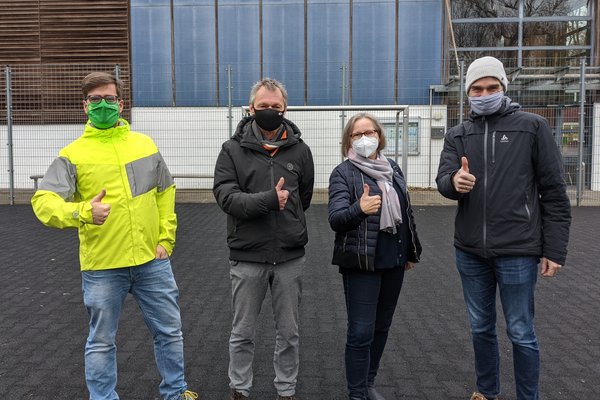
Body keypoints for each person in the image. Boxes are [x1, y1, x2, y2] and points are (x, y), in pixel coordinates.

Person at [31, 72, 198, 400]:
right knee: (102, 341)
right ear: (85, 106)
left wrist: (167, 239)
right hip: (103, 266)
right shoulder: (72, 155)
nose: (103, 104)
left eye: (109, 98)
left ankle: (176, 393)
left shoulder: (144, 145)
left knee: (170, 333)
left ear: (121, 104)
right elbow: (43, 201)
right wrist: (81, 212)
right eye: (96, 99)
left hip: (152, 260)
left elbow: (165, 191)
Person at [436, 56, 571, 400]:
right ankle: (486, 391)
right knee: (480, 328)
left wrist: (554, 249)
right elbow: (442, 181)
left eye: (491, 87)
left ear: (503, 88)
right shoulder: (458, 133)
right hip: (469, 250)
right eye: (477, 89)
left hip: (518, 250)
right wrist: (455, 180)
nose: (484, 94)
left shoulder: (532, 126)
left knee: (521, 330)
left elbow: (553, 191)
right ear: (468, 93)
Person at [213, 78, 314, 400]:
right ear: (250, 108)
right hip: (247, 257)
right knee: (242, 332)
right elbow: (227, 198)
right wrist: (269, 201)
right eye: (263, 106)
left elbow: (304, 198)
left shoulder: (300, 150)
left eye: (276, 107)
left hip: (289, 256)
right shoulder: (232, 150)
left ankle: (286, 390)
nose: (269, 111)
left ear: (285, 109)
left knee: (290, 333)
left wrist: (285, 212)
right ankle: (240, 390)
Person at [328, 113, 421, 400]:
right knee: (360, 331)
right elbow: (336, 218)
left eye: (370, 132)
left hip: (393, 260)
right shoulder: (343, 173)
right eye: (357, 134)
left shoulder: (392, 168)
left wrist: (411, 251)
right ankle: (356, 394)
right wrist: (360, 208)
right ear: (349, 140)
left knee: (382, 327)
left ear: (380, 135)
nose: (365, 138)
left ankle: (368, 383)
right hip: (361, 263)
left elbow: (406, 212)